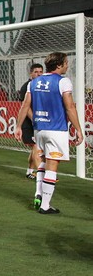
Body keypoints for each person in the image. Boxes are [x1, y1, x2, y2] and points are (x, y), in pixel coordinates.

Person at [15, 52, 84, 214]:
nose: (67, 65)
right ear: (59, 65)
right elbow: (70, 107)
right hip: (56, 129)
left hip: (39, 129)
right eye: (66, 62)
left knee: (44, 161)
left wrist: (18, 126)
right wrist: (79, 129)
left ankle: (38, 193)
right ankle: (45, 205)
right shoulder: (63, 82)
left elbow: (25, 106)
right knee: (52, 166)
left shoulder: (34, 82)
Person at [18, 64, 44, 181]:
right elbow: (26, 107)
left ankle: (29, 171)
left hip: (39, 121)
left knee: (36, 147)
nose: (39, 74)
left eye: (40, 72)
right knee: (36, 146)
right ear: (31, 73)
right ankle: (41, 174)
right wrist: (35, 120)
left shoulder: (41, 86)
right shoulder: (26, 87)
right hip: (29, 123)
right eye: (36, 72)